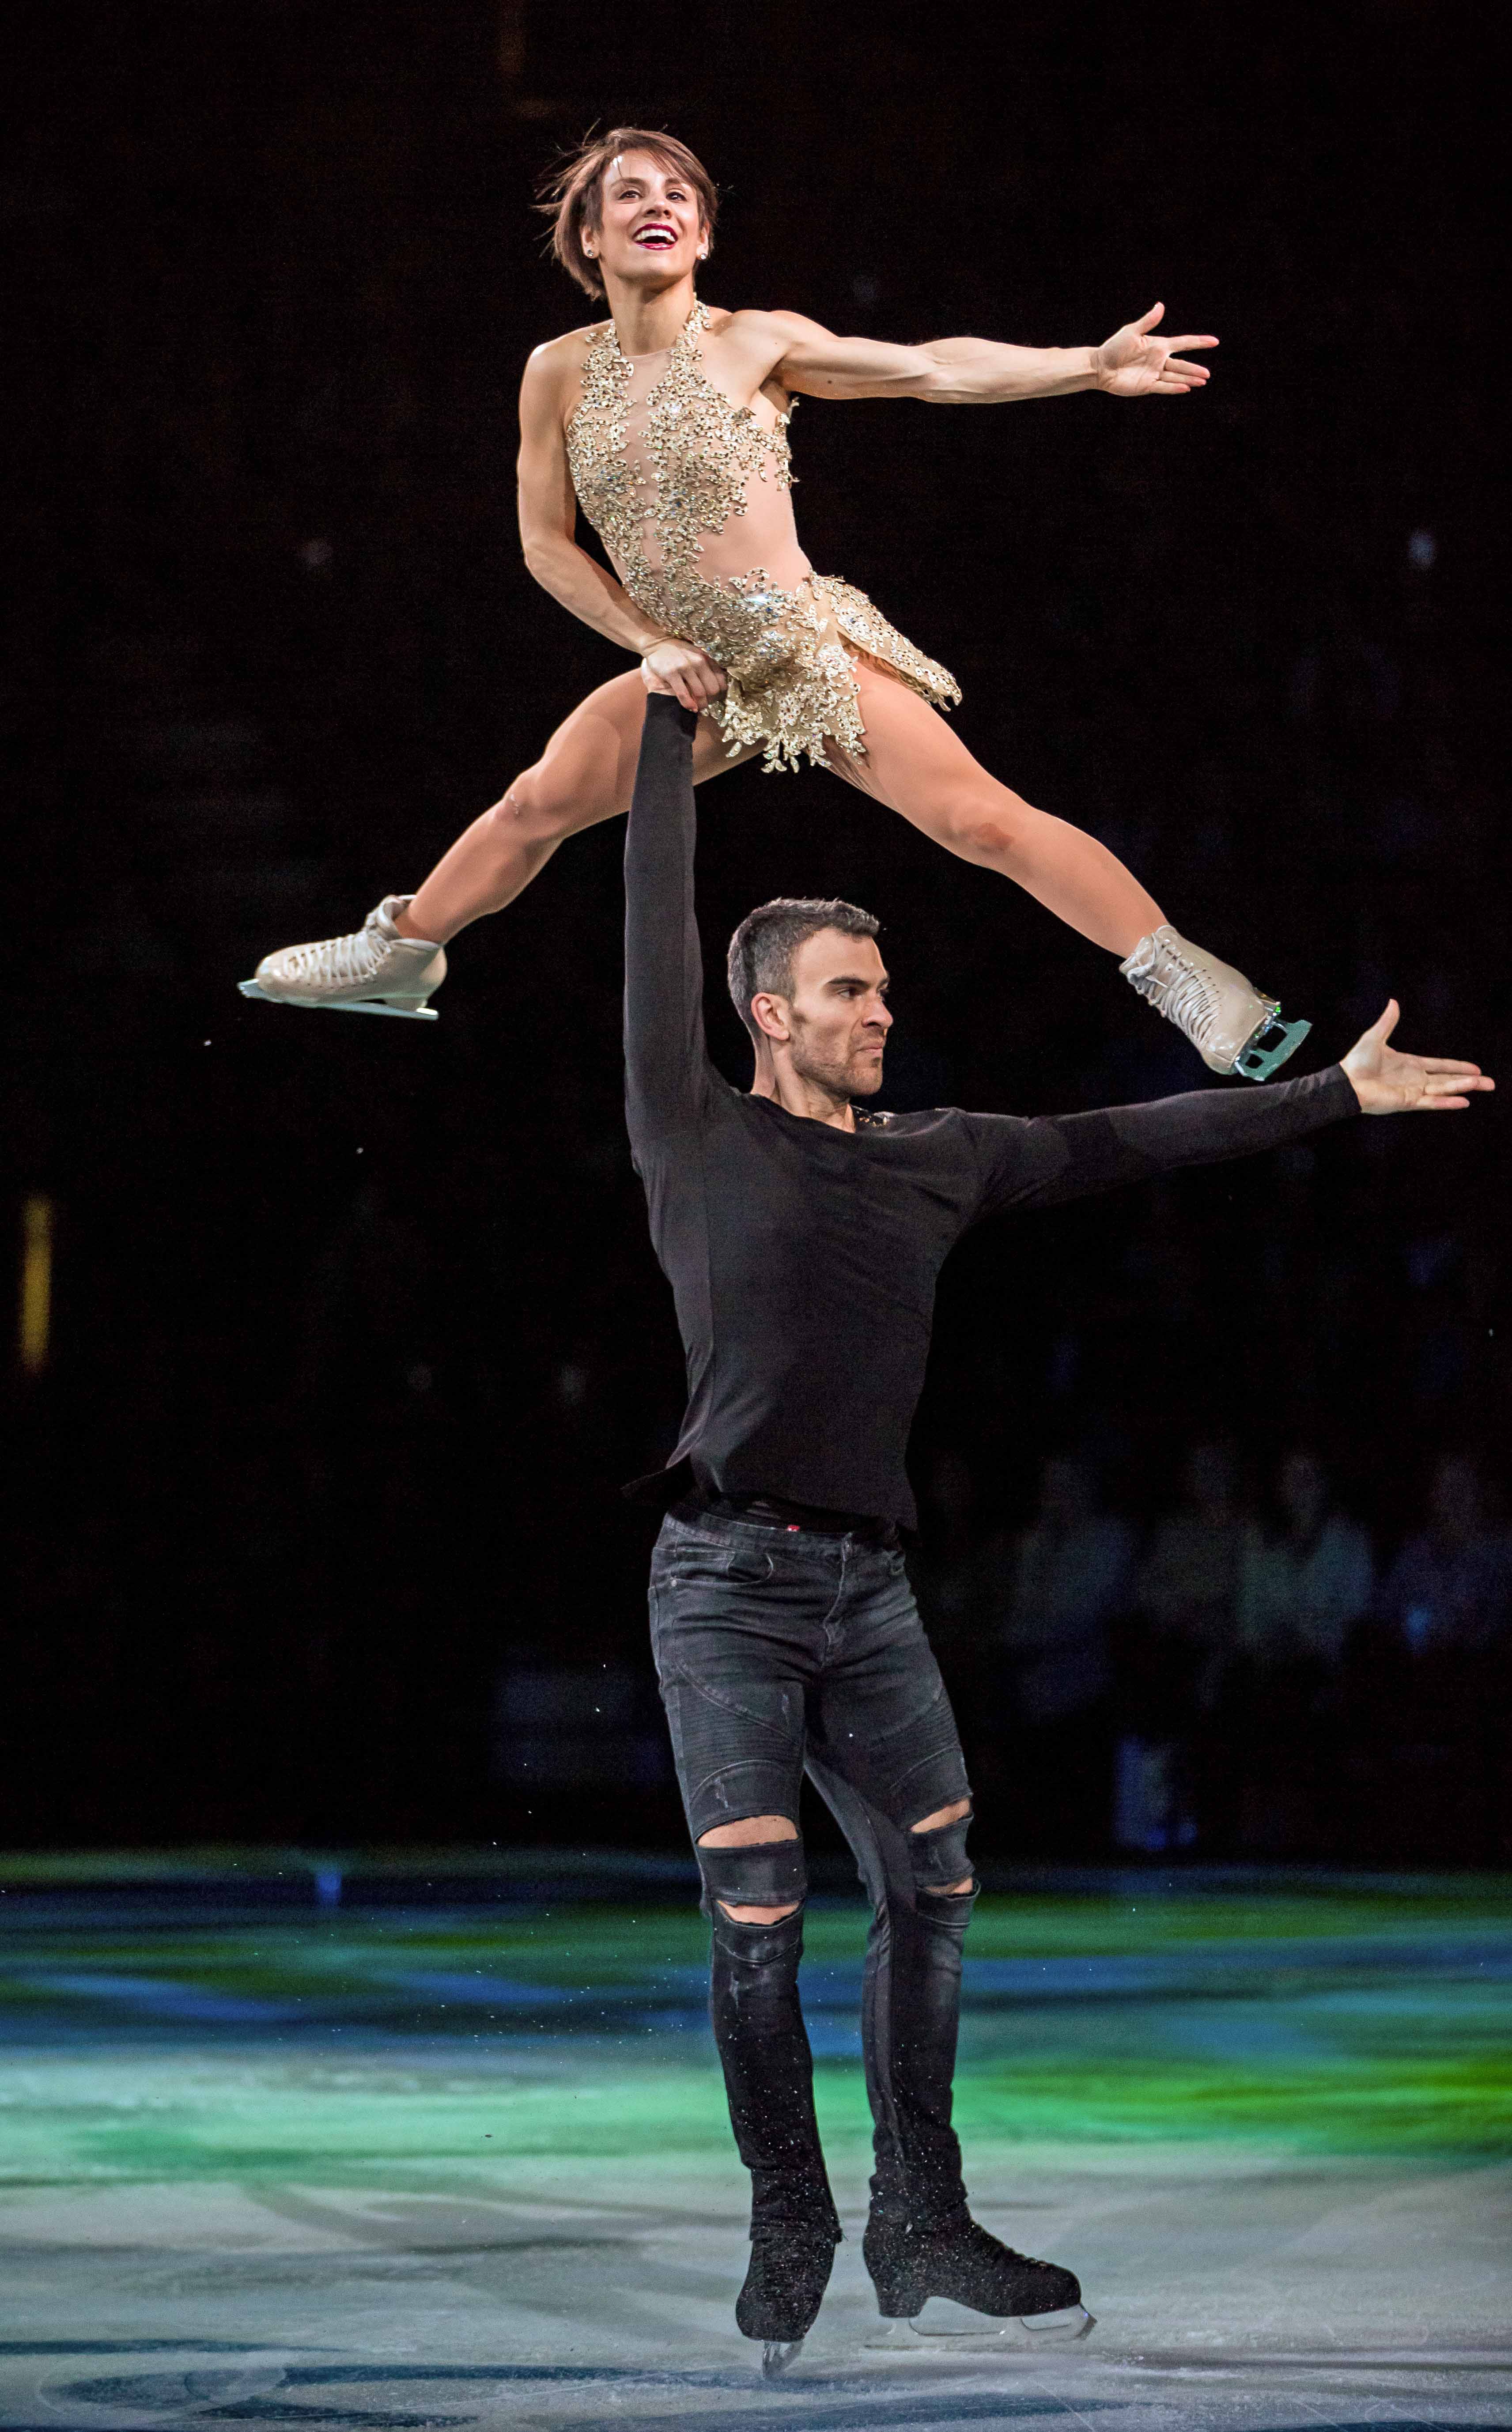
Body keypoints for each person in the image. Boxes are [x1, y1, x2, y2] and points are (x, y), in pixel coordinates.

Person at [618, 693, 1488, 2371]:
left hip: (868, 1584)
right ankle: (789, 2211)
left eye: (885, 985)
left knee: (932, 1880)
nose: (886, 1009)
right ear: (767, 1013)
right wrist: (668, 724)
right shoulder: (694, 1125)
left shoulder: (939, 1156)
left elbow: (1123, 1140)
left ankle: (918, 2213)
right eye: (853, 990)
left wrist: (1334, 1099)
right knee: (762, 1905)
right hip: (722, 1578)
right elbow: (655, 913)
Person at [241, 128, 1308, 1082]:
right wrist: (651, 642)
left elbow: (932, 368)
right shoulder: (555, 372)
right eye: (629, 194)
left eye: (679, 195)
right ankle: (397, 954)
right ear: (589, 238)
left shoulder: (756, 342)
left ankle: (1201, 986)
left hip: (796, 645)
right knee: (533, 804)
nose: (657, 204)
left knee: (980, 819)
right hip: (689, 667)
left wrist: (1086, 365)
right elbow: (543, 545)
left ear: (702, 235)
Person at [994, 1453, 1134, 1853]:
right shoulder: (1035, 1543)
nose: (1059, 1496)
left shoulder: (1110, 1539)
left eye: (1069, 1484)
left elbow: (1085, 1613)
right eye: (1052, 1486)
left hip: (1086, 1684)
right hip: (1032, 1688)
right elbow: (1019, 1614)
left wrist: (1035, 1635)